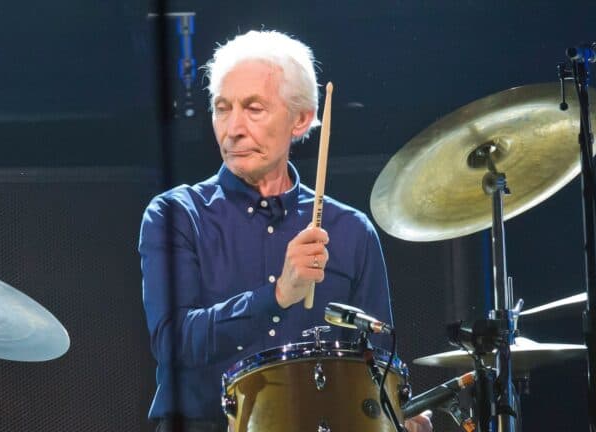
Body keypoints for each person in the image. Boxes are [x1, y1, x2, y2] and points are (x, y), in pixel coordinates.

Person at [140, 30, 432, 432]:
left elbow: (374, 367)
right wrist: (277, 296)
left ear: (301, 119)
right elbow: (173, 342)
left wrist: (394, 415)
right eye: (222, 108)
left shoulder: (349, 231)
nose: (233, 128)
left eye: (254, 108)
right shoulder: (177, 214)